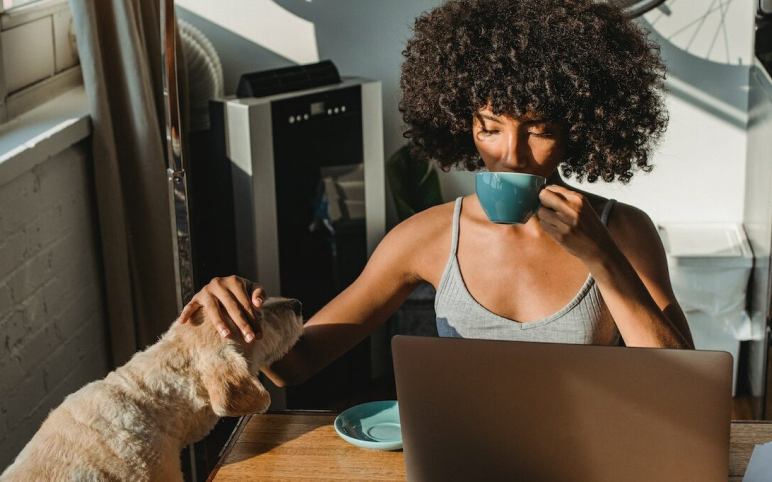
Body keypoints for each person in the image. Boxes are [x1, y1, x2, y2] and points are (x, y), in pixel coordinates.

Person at [179, 0, 693, 387]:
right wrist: (239, 314)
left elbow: (682, 381)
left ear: (579, 128)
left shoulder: (622, 230)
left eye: (538, 129)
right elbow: (302, 362)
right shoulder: (426, 237)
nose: (511, 155)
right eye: (490, 127)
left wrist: (602, 257)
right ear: (461, 123)